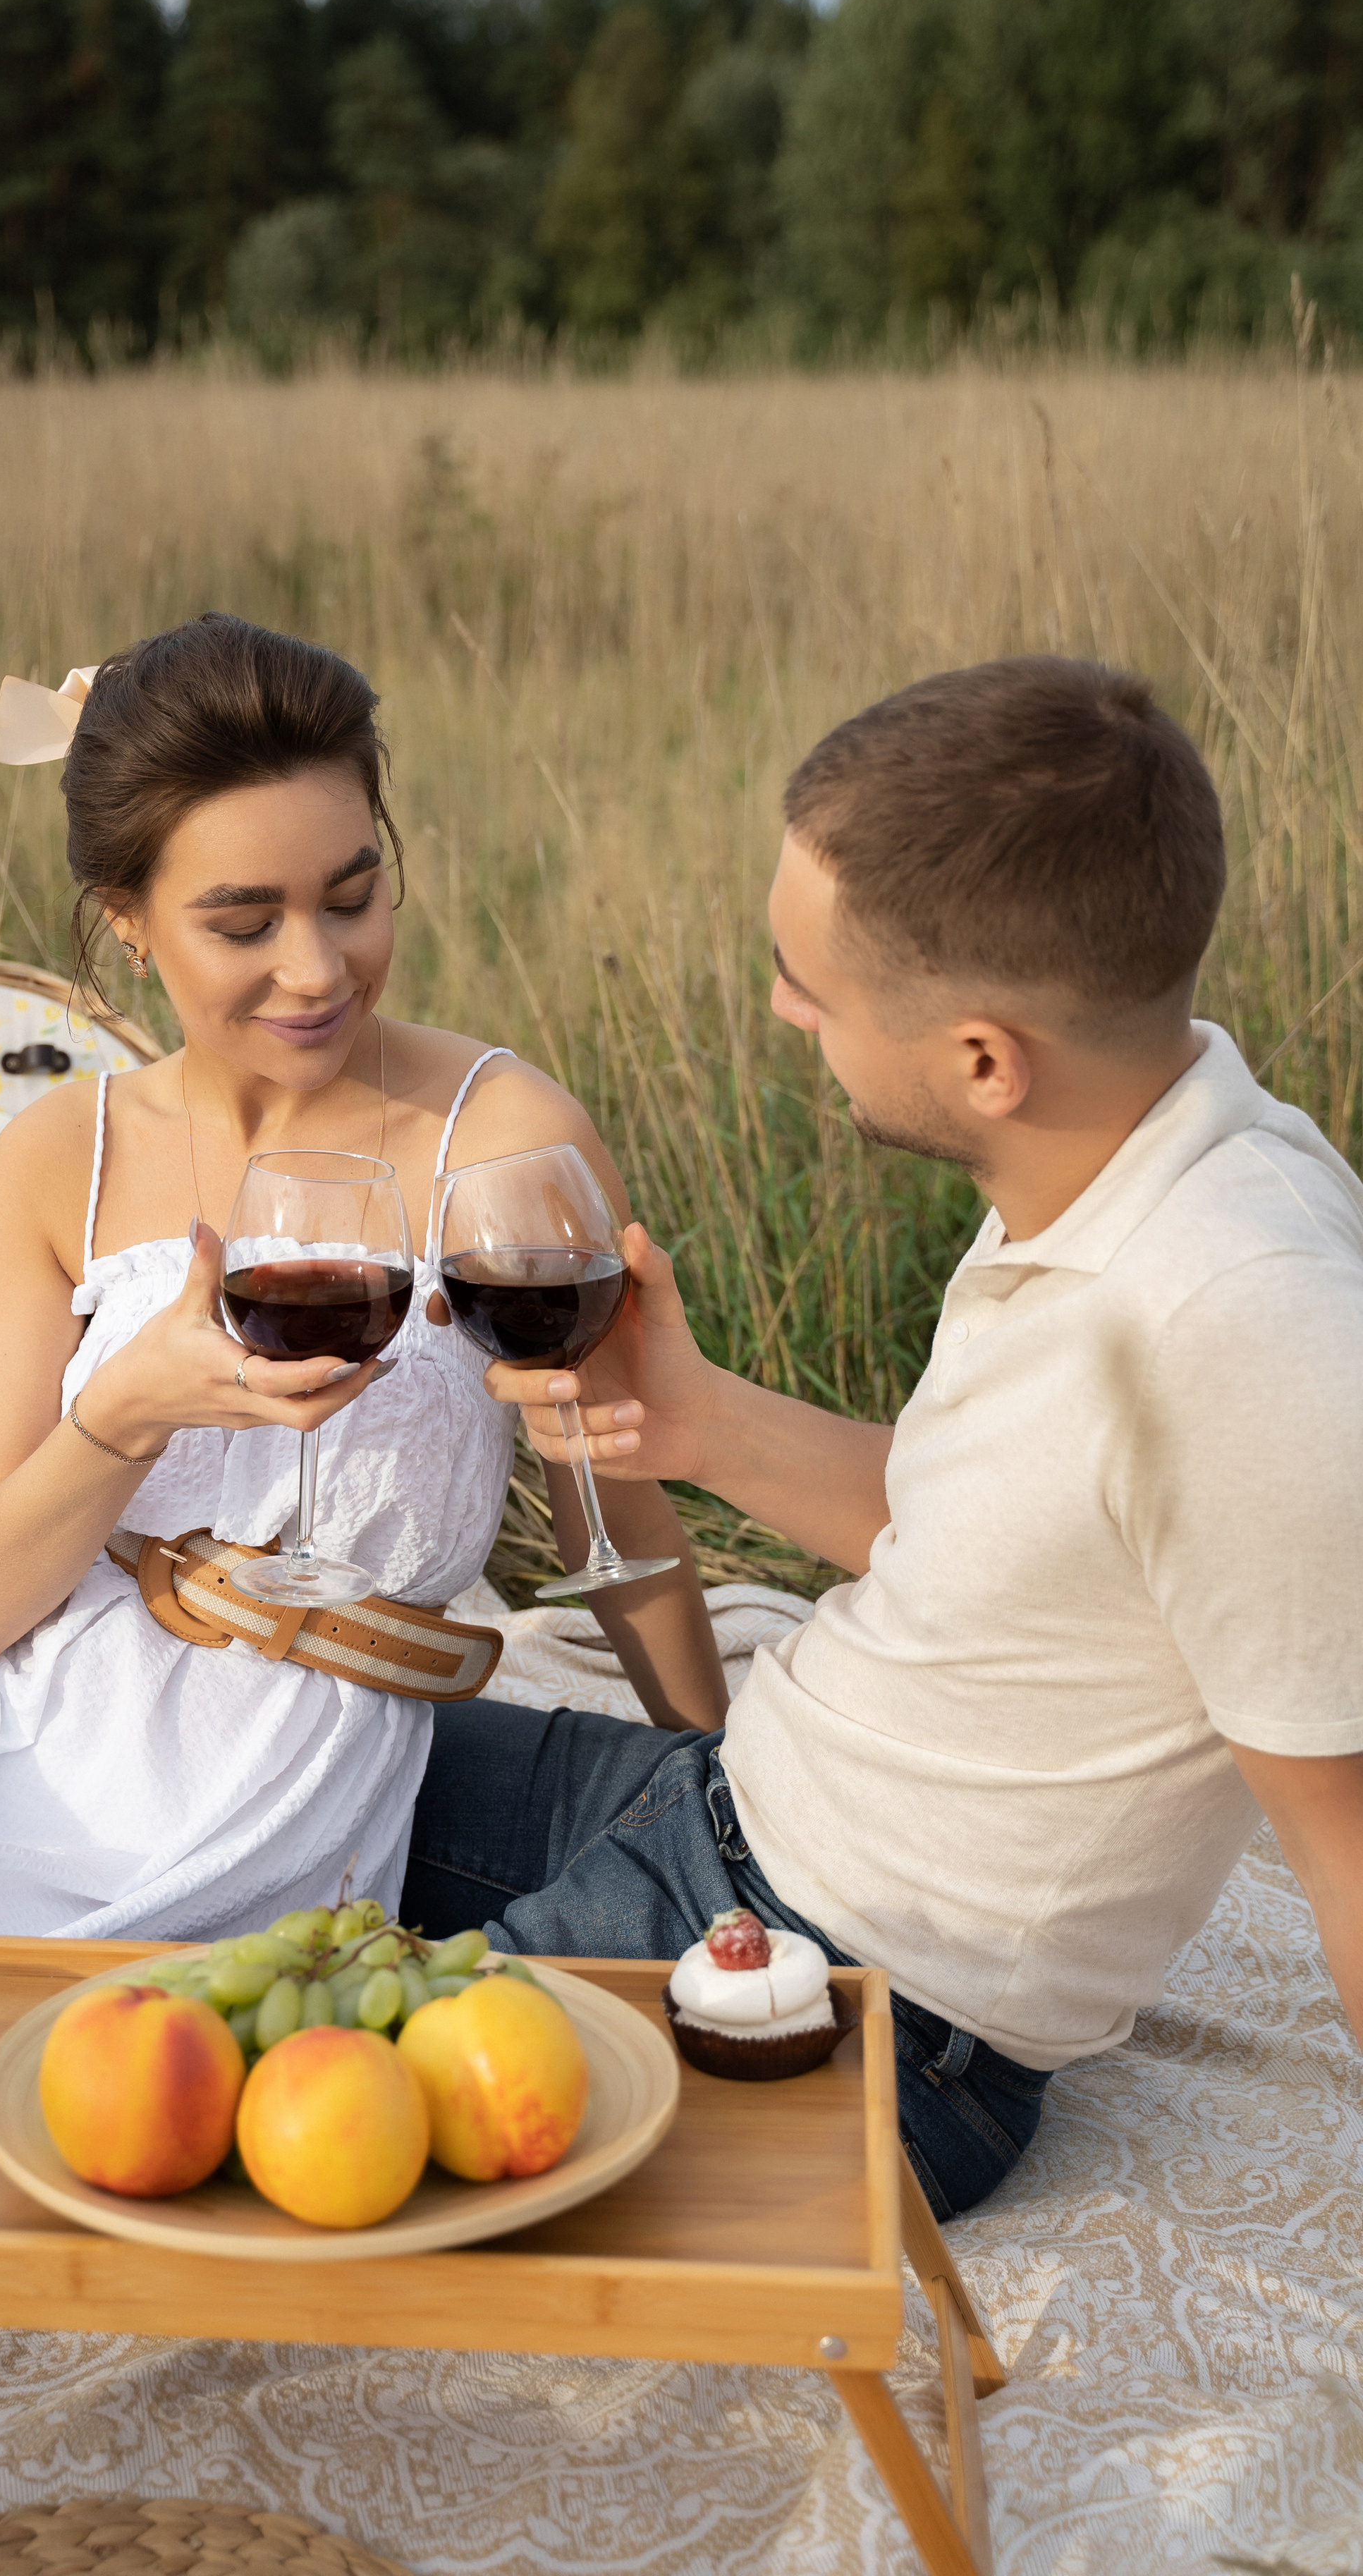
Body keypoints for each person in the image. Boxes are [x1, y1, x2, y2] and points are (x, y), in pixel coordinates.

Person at [0, 614, 723, 2281]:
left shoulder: (499, 1144)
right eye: (242, 923)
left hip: (241, 1775)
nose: (315, 969)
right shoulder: (63, 1153)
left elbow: (621, 1518)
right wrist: (128, 1408)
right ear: (126, 924)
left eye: (352, 895)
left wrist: (712, 1797)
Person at [405, 654, 1363, 2221]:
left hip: (853, 2007)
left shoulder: (1244, 1331)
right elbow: (995, 1541)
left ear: (984, 1060)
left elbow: (1345, 1851)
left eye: (812, 986)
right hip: (729, 1803)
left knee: (311, 2113)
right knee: (280, 1789)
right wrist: (696, 1419)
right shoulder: (1138, 1148)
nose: (783, 1010)